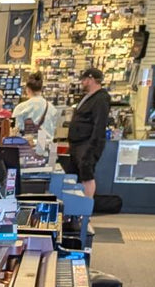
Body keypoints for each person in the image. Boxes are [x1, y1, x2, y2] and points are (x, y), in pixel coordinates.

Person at [66, 66, 112, 198]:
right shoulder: (87, 97)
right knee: (72, 174)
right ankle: (75, 207)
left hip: (87, 143)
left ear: (91, 79)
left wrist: (92, 147)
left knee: (87, 174)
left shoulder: (101, 98)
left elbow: (99, 124)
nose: (82, 82)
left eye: (84, 79)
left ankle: (86, 208)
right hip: (77, 143)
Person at [10, 71, 59, 161]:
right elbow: (53, 131)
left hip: (26, 153)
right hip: (47, 152)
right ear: (41, 89)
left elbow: (15, 133)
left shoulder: (21, 108)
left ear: (27, 89)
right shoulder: (52, 108)